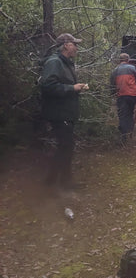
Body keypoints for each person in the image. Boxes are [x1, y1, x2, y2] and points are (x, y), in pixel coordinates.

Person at [40, 33, 88, 190]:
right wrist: (72, 88)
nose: (77, 47)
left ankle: (60, 182)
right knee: (65, 147)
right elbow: (48, 87)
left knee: (66, 147)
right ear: (66, 45)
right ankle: (53, 183)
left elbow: (61, 84)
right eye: (75, 44)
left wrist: (76, 87)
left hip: (66, 112)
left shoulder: (66, 63)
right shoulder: (54, 62)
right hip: (59, 113)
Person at [110, 53, 136, 144]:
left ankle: (123, 134)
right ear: (128, 60)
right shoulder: (132, 68)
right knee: (130, 111)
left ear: (119, 60)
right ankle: (129, 128)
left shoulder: (115, 70)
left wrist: (112, 93)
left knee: (122, 113)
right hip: (132, 94)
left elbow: (112, 83)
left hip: (121, 94)